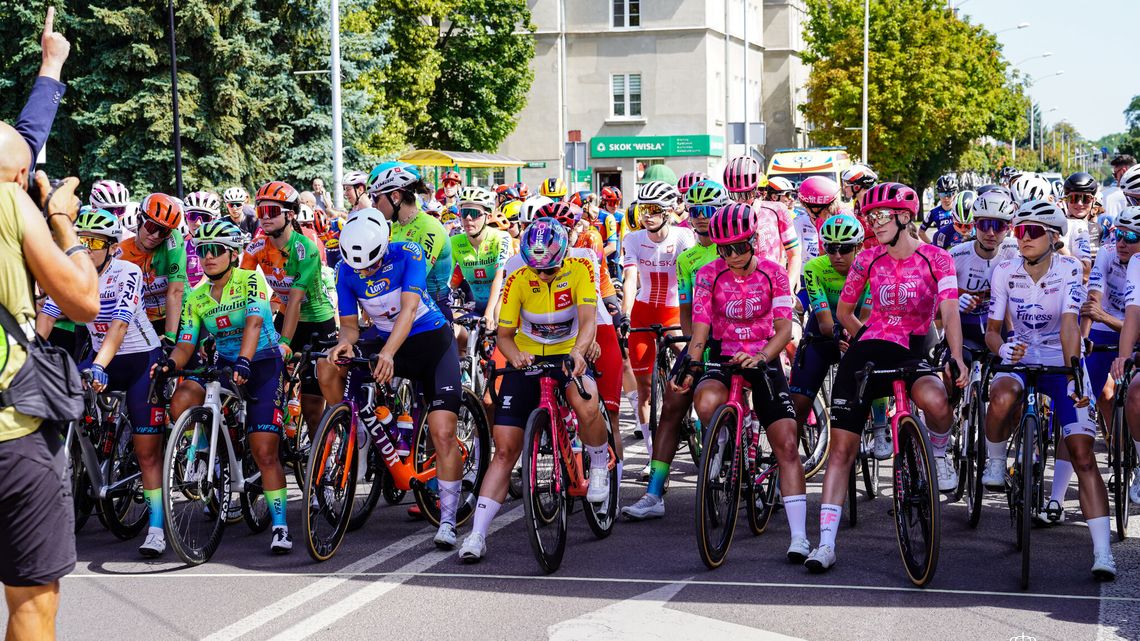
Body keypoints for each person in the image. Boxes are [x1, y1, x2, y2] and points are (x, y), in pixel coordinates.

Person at [805, 182, 966, 573]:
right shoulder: (866, 259)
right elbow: (844, 313)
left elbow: (949, 311)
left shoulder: (937, 258)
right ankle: (825, 543)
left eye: (880, 216)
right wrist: (865, 338)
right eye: (870, 216)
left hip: (915, 347)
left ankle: (939, 452)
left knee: (936, 401)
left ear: (905, 217)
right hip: (871, 348)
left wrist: (957, 356)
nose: (873, 223)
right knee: (841, 449)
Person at [458, 218, 608, 562]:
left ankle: (599, 464)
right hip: (527, 357)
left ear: (563, 256)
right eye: (536, 269)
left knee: (585, 399)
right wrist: (514, 356)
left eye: (549, 269)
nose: (542, 275)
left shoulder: (580, 269)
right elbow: (505, 336)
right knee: (504, 449)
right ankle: (477, 534)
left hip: (569, 351)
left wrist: (578, 352)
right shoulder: (519, 278)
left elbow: (588, 322)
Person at [0, 123, 99, 641]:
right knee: (32, 603)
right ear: (21, 176)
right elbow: (83, 301)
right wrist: (61, 221)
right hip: (12, 436)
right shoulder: (10, 203)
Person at [321, 209, 466, 548]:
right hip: (387, 339)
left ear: (384, 247)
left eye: (371, 265)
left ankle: (447, 520)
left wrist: (387, 353)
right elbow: (350, 326)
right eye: (359, 268)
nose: (365, 272)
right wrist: (344, 343)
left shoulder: (408, 253)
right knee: (327, 366)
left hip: (430, 341)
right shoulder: (346, 270)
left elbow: (410, 310)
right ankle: (354, 428)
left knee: (442, 432)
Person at [986, 200, 1114, 581]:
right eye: (1019, 230)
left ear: (1054, 237)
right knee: (1001, 394)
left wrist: (1075, 374)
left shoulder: (1070, 269)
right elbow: (992, 330)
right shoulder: (1004, 269)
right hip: (1020, 355)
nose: (1023, 238)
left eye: (1033, 231)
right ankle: (996, 462)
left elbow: (1070, 325)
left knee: (1083, 455)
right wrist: (1003, 349)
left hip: (1062, 359)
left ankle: (1102, 551)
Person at [677, 203, 806, 561]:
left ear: (754, 241)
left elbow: (784, 329)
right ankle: (724, 440)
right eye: (724, 249)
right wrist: (690, 365)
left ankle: (799, 537)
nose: (732, 256)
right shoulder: (708, 274)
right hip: (725, 355)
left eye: (739, 247)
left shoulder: (774, 273)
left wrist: (762, 356)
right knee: (705, 400)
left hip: (764, 355)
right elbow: (700, 329)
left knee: (787, 444)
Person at [35, 207, 167, 556]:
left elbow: (119, 326)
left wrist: (97, 365)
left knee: (146, 451)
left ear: (111, 248)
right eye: (81, 240)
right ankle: (82, 459)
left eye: (94, 242)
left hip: (139, 360)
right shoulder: (72, 273)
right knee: (61, 401)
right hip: (101, 356)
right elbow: (46, 317)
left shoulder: (127, 272)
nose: (86, 248)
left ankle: (156, 527)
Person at [158, 220, 294, 553]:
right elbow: (186, 343)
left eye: (216, 250)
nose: (208, 257)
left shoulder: (250, 280)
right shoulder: (196, 296)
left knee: (264, 450)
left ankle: (280, 526)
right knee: (181, 399)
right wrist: (170, 364)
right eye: (202, 251)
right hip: (225, 363)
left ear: (232, 254)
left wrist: (245, 360)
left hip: (261, 361)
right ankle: (212, 448)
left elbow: (254, 323)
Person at [620, 179, 726, 520]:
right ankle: (654, 494)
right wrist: (693, 349)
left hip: (737, 343)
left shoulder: (735, 251)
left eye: (708, 210)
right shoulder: (689, 258)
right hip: (700, 341)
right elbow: (686, 311)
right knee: (669, 407)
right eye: (695, 211)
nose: (701, 217)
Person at [240, 181, 336, 433]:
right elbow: (240, 291)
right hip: (285, 316)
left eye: (271, 211)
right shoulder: (256, 247)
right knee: (268, 385)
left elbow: (295, 299)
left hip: (317, 322)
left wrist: (283, 342)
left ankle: (320, 452)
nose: (264, 217)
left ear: (290, 215)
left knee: (312, 406)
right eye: (260, 211)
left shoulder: (306, 249)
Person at [621, 181, 695, 469]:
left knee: (692, 362)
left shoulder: (683, 236)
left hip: (674, 312)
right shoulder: (632, 239)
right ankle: (653, 456)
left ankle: (696, 414)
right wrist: (626, 315)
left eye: (653, 210)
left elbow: (690, 281)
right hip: (643, 312)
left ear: (667, 212)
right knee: (644, 390)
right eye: (643, 209)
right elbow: (630, 279)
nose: (646, 216)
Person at [788, 214, 872, 455]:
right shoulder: (815, 268)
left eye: (844, 249)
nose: (837, 255)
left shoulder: (869, 266)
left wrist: (854, 337)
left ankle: (879, 426)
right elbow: (825, 321)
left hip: (859, 327)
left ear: (858, 247)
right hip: (825, 331)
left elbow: (866, 317)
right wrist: (837, 334)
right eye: (830, 248)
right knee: (798, 403)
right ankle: (786, 459)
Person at [369, 162, 455, 321]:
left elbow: (415, 277)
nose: (373, 204)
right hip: (402, 305)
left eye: (375, 197)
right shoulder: (397, 225)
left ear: (395, 197)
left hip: (434, 309)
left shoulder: (430, 227)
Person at [113, 193, 187, 350]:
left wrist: (170, 337)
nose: (156, 236)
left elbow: (176, 291)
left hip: (179, 313)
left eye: (163, 231)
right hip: (145, 321)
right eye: (152, 227)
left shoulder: (172, 240)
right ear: (139, 219)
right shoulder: (121, 253)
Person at [449, 186, 511, 343]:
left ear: (488, 217)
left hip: (501, 303)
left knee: (497, 323)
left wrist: (489, 312)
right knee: (452, 330)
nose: (469, 218)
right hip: (477, 305)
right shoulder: (454, 242)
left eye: (475, 213)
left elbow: (499, 276)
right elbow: (447, 281)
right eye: (464, 213)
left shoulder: (501, 237)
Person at [795, 176, 842, 264]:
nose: (805, 209)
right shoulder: (820, 220)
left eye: (805, 206)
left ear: (815, 208)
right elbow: (822, 254)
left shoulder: (843, 219)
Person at [182, 191, 221, 287]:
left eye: (205, 217)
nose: (198, 223)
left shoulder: (221, 245)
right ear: (185, 217)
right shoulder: (182, 245)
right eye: (193, 216)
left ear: (214, 219)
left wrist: (193, 292)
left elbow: (209, 277)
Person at [920, 174, 958, 242]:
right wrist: (932, 245)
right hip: (943, 247)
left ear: (954, 194)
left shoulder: (960, 210)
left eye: (949, 194)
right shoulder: (933, 213)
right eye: (942, 194)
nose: (946, 198)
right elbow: (921, 232)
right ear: (938, 194)